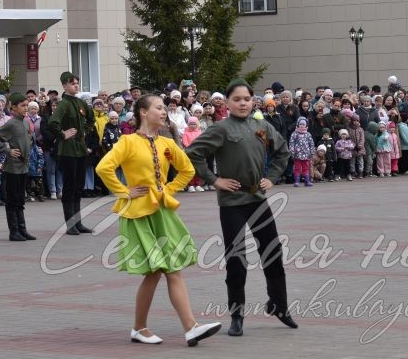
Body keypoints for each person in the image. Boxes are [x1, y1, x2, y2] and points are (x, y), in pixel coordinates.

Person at [97, 93, 222, 347]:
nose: (164, 111)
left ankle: (148, 328)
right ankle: (182, 327)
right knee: (159, 271)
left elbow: (187, 169)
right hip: (139, 213)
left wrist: (169, 188)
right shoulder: (127, 141)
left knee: (165, 270)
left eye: (165, 108)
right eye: (158, 107)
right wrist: (124, 191)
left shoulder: (167, 142)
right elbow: (103, 168)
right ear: (143, 112)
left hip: (162, 211)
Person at [186, 79, 297, 337]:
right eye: (236, 99)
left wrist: (274, 176)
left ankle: (279, 305)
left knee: (272, 254)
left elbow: (282, 151)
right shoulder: (221, 129)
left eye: (246, 99)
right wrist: (214, 180)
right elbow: (193, 153)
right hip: (232, 203)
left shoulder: (262, 125)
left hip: (258, 199)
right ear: (227, 103)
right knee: (236, 260)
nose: (242, 103)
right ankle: (237, 316)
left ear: (253, 101)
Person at [48, 71, 95, 236]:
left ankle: (78, 222)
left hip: (80, 149)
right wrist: (63, 134)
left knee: (78, 186)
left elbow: (91, 119)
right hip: (68, 151)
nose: (76, 85)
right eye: (72, 83)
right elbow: (52, 123)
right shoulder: (64, 104)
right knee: (69, 187)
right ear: (64, 86)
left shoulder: (80, 103)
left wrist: (83, 133)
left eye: (77, 82)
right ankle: (70, 224)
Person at [0, 92, 38, 241]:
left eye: (26, 105)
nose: (26, 108)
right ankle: (14, 230)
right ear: (14, 108)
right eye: (22, 106)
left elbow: (29, 139)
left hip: (23, 166)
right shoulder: (10, 123)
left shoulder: (24, 121)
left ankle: (22, 229)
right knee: (12, 199)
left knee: (20, 199)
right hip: (12, 168)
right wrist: (7, 150)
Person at [289, 118, 315, 187]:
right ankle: (297, 181)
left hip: (306, 155)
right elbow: (291, 143)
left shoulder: (308, 134)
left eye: (303, 124)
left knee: (306, 168)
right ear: (298, 124)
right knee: (297, 168)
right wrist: (292, 151)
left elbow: (311, 143)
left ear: (306, 125)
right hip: (297, 155)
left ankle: (307, 181)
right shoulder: (294, 134)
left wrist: (312, 152)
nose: (302, 126)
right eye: (300, 124)